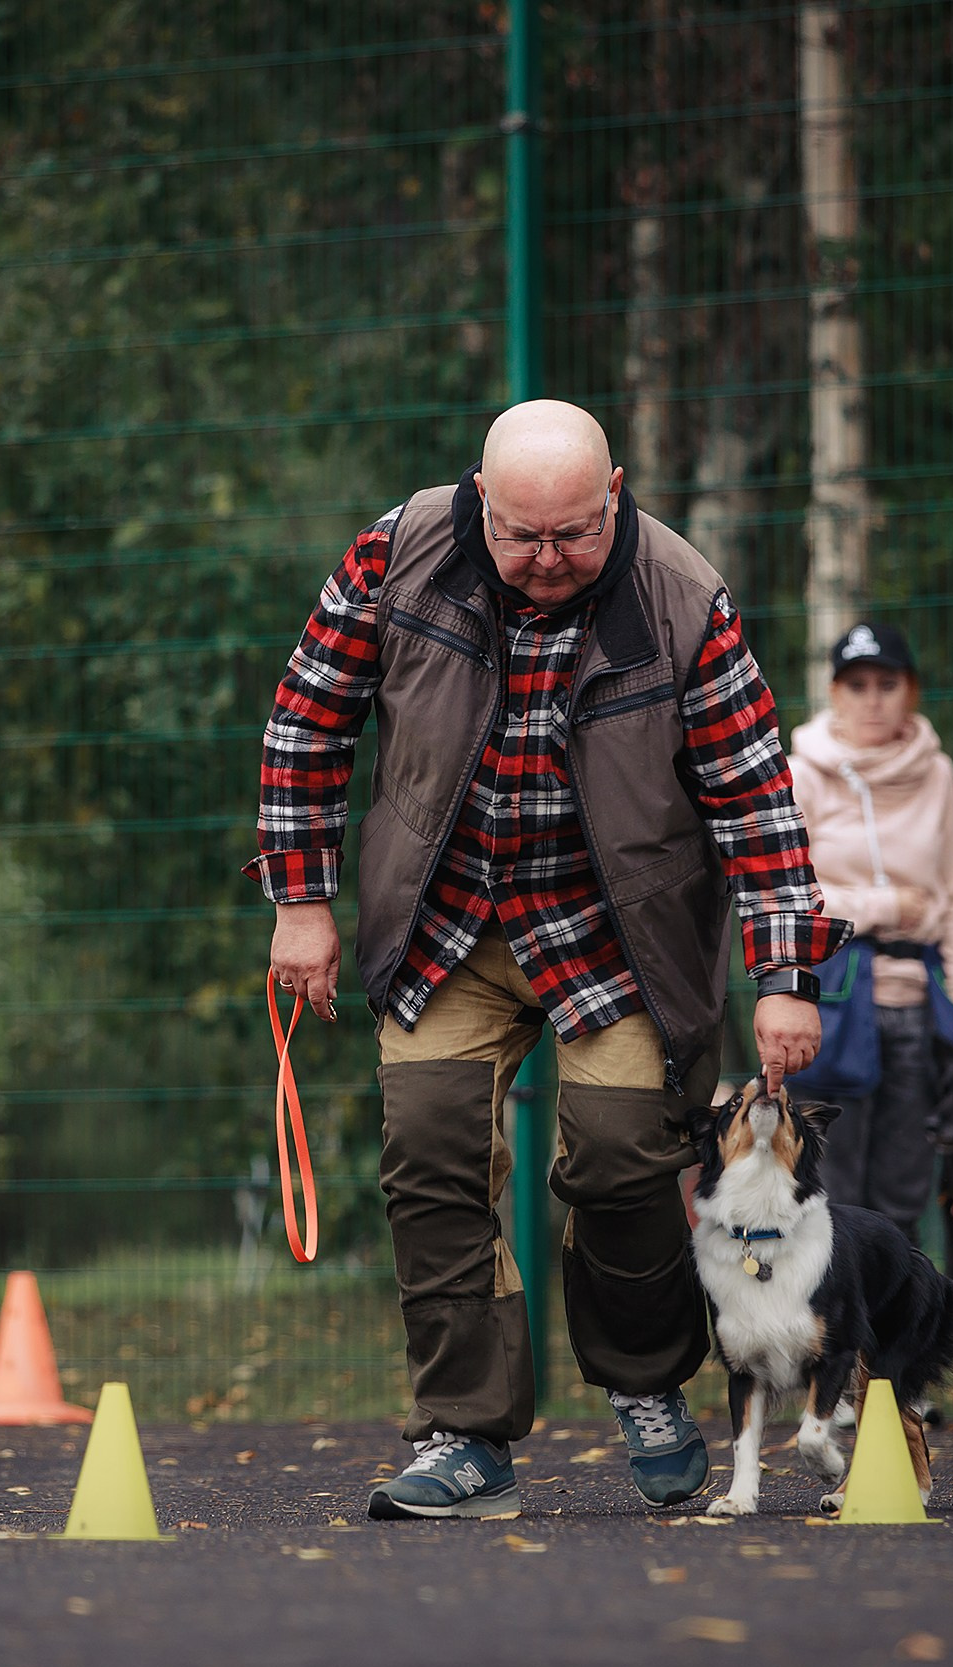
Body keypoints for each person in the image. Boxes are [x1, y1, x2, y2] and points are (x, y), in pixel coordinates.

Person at [254, 400, 845, 1518]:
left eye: (571, 534)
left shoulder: (680, 598)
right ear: (481, 499)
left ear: (613, 491)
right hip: (446, 921)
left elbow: (757, 801)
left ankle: (643, 1384)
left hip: (613, 936)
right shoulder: (398, 556)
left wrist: (783, 977)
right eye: (521, 535)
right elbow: (305, 721)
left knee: (622, 1160)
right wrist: (300, 903)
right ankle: (464, 1437)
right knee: (427, 1158)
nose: (544, 561)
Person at [787, 621, 953, 1241]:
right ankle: (838, 1335)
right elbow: (793, 895)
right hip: (834, 1003)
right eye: (857, 685)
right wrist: (888, 904)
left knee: (904, 1191)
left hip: (918, 1007)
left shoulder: (938, 774)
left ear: (912, 692)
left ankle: (894, 1334)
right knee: (830, 1191)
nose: (873, 699)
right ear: (834, 693)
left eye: (887, 684)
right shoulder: (802, 772)